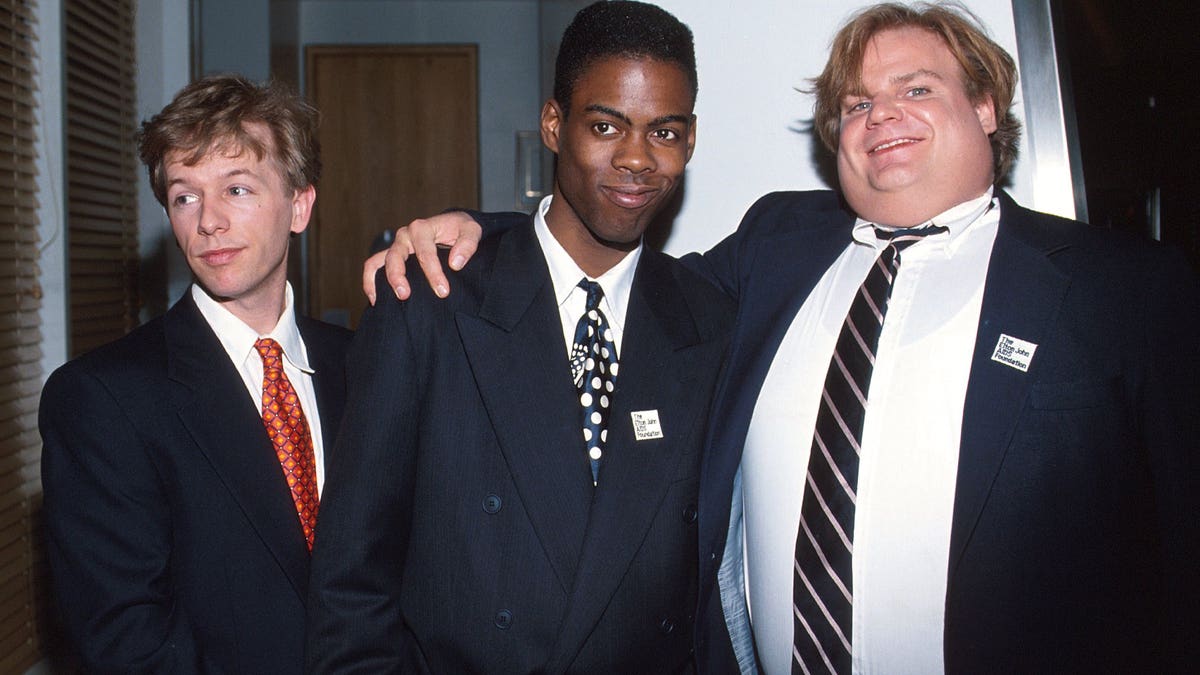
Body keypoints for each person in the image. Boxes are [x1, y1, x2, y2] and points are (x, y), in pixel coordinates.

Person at [368, 3, 1200, 673]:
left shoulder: (1120, 291)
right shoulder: (780, 245)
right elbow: (611, 273)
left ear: (985, 105)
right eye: (857, 103)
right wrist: (481, 238)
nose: (882, 118)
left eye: (915, 90)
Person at [305, 2, 735, 673]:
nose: (636, 160)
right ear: (554, 124)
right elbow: (351, 579)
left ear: (692, 139)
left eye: (666, 133)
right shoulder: (429, 302)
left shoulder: (707, 320)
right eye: (605, 126)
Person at [39, 74, 352, 674]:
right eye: (185, 196)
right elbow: (127, 642)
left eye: (237, 189)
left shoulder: (361, 366)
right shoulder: (103, 398)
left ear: (300, 205)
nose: (207, 221)